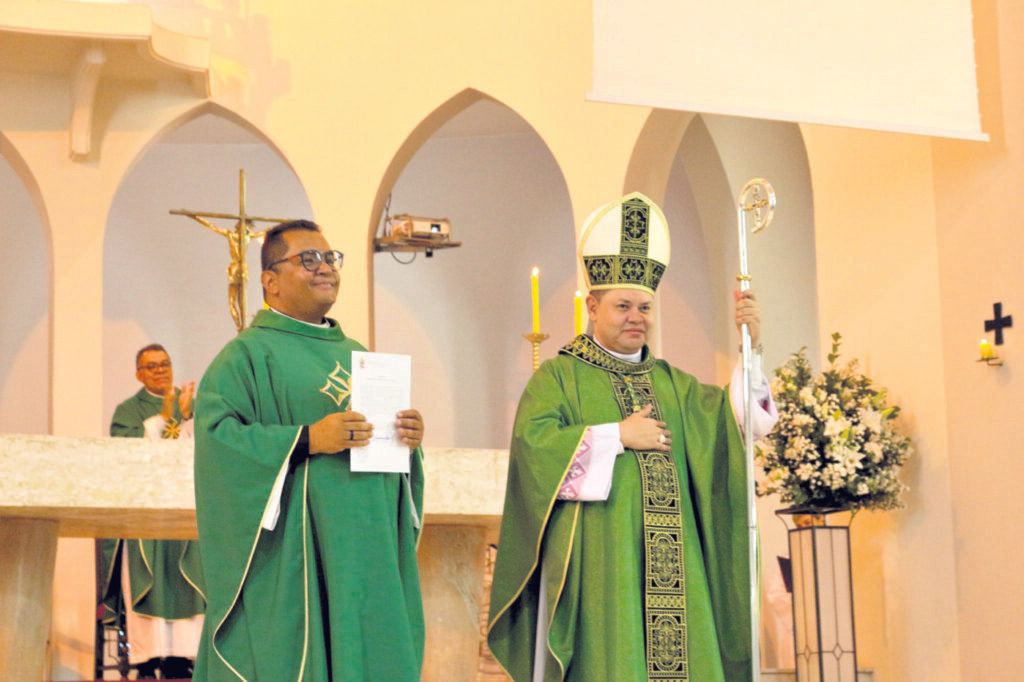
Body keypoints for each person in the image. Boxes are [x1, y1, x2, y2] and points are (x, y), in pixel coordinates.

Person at [486, 192, 778, 681]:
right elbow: (535, 454)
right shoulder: (559, 377)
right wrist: (615, 436)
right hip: (604, 569)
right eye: (623, 305)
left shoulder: (675, 386)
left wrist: (753, 347)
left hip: (678, 572)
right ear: (593, 307)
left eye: (645, 306)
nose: (636, 317)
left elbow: (741, 422)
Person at [192, 219, 427, 681]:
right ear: (270, 281)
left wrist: (408, 439)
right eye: (308, 259)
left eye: (330, 258)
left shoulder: (360, 355)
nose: (325, 268)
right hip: (298, 558)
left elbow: (384, 454)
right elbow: (219, 443)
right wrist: (306, 439)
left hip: (364, 548)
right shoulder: (246, 356)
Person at [102, 343, 205, 679]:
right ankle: (148, 659)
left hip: (185, 508)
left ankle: (183, 658)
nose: (161, 370)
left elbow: (207, 447)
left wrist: (189, 417)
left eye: (165, 364)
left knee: (190, 577)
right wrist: (168, 418)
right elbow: (124, 456)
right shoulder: (127, 410)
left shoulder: (192, 403)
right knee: (147, 575)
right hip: (145, 513)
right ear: (138, 374)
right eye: (152, 366)